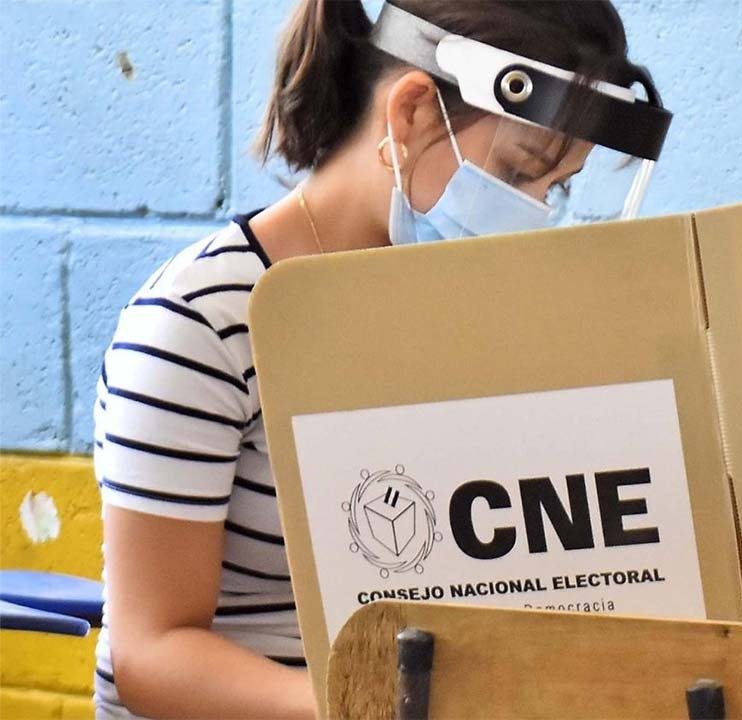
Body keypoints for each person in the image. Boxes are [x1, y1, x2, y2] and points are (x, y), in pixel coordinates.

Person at [91, 1, 669, 717]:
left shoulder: (465, 315)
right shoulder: (201, 322)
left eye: (556, 188)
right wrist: (373, 707)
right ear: (413, 114)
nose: (535, 213)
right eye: (519, 172)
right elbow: (150, 654)